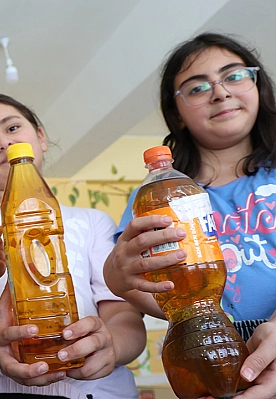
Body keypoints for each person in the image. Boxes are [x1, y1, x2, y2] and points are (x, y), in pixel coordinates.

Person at [103, 32, 276, 398]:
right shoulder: (153, 196)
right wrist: (121, 281)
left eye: (233, 75)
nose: (220, 92)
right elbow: (147, 284)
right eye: (197, 88)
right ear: (176, 114)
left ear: (257, 85)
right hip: (203, 349)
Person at [0, 93, 146, 399]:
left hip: (92, 390)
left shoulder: (91, 221)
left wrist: (111, 347)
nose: (2, 143)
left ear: (40, 138)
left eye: (12, 128)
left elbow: (124, 315)